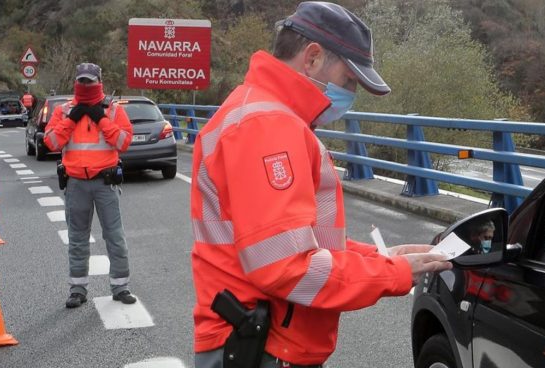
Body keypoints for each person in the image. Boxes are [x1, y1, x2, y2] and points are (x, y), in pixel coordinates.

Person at [190, 2, 453, 367]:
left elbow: (295, 239)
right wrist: (393, 273)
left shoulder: (258, 113)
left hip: (256, 337)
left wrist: (380, 257)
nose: (349, 94)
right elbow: (286, 265)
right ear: (312, 58)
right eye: (348, 81)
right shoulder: (268, 128)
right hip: (260, 345)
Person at [43, 62, 136, 308]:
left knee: (114, 237)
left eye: (89, 81)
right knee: (77, 238)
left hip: (105, 183)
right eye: (81, 80)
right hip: (76, 184)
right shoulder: (64, 111)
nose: (85, 85)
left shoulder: (113, 110)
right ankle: (77, 289)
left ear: (98, 82)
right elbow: (51, 142)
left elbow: (124, 141)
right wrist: (72, 120)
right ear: (76, 81)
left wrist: (102, 119)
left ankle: (120, 287)